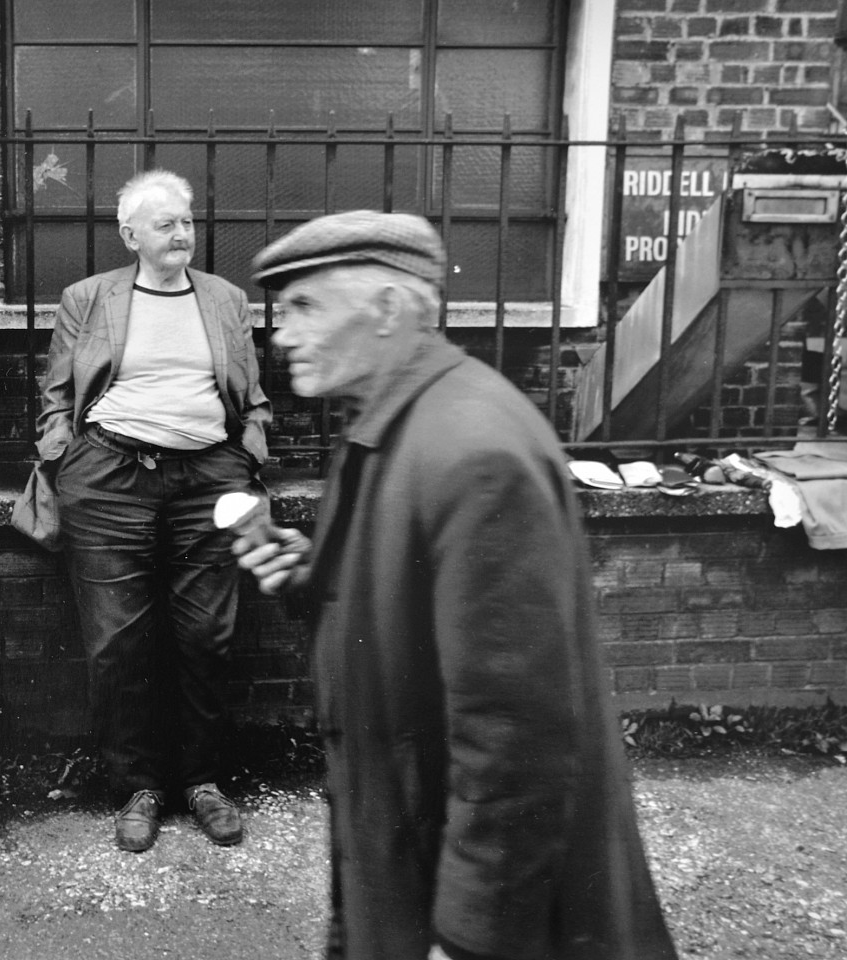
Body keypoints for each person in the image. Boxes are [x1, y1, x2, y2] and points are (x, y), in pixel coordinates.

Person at [234, 211, 679, 960]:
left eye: (306, 306)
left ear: (388, 310)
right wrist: (310, 579)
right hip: (403, 844)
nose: (280, 334)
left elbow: (517, 735)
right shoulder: (389, 421)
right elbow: (409, 620)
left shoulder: (472, 450)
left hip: (485, 907)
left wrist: (473, 937)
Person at [36, 168, 271, 852]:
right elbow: (58, 393)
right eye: (165, 223)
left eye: (187, 222)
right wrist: (64, 457)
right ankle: (138, 787)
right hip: (108, 479)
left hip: (208, 480)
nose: (181, 234)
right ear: (130, 234)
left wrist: (246, 458)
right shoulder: (88, 298)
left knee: (206, 635)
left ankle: (200, 781)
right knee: (117, 645)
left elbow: (251, 395)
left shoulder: (225, 299)